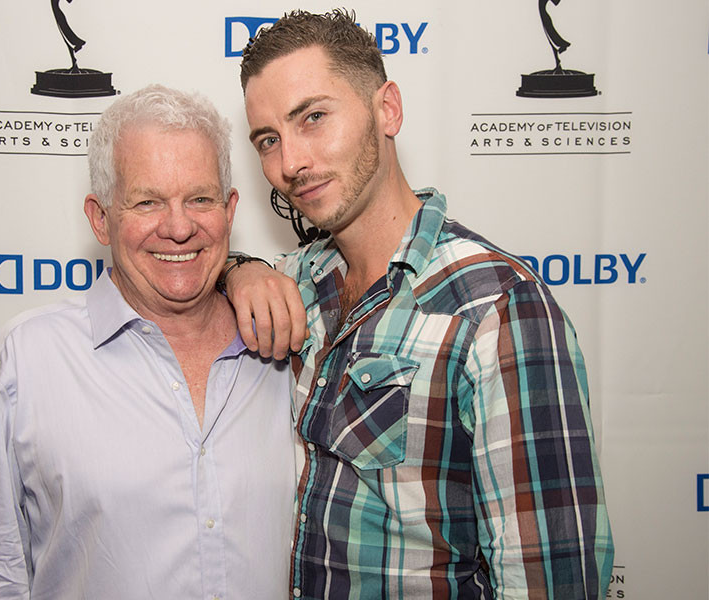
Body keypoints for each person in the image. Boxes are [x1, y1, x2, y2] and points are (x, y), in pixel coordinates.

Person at [223, 9, 614, 599]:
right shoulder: (301, 280)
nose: (290, 163)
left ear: (388, 110)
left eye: (315, 118)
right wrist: (237, 268)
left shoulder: (496, 309)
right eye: (269, 140)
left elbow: (552, 579)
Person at [0, 84, 296, 599]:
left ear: (230, 210)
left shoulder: (287, 347)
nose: (178, 226)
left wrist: (245, 271)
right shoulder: (26, 362)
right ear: (101, 218)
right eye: (147, 201)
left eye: (200, 199)